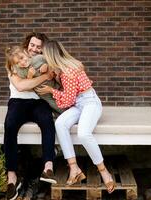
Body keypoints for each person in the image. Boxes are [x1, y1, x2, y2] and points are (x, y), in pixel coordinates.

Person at [36, 40, 115, 194]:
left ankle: (104, 171)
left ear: (51, 56)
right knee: (60, 124)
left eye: (44, 55)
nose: (43, 57)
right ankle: (74, 168)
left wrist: (51, 91)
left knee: (84, 134)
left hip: (90, 102)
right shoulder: (62, 69)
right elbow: (72, 100)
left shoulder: (68, 72)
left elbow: (67, 101)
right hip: (78, 104)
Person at [3, 33, 57, 200]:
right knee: (10, 125)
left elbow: (54, 75)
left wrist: (49, 73)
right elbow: (21, 86)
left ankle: (48, 167)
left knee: (47, 121)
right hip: (18, 102)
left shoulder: (43, 61)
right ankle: (12, 177)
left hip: (38, 102)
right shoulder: (14, 61)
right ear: (27, 46)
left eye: (38, 47)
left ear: (42, 49)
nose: (34, 49)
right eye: (32, 45)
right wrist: (44, 77)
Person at [8, 45, 64, 115]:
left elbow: (52, 61)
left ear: (25, 53)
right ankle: (63, 115)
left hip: (55, 85)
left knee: (64, 99)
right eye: (17, 62)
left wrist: (46, 65)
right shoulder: (21, 71)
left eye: (22, 58)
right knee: (56, 107)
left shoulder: (38, 58)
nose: (22, 62)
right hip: (43, 94)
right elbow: (27, 86)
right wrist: (30, 76)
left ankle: (72, 112)